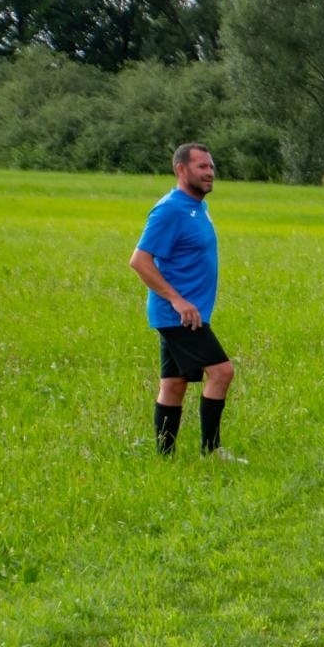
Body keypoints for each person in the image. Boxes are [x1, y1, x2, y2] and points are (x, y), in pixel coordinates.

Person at [129, 142, 240, 460]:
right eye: (202, 167)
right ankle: (212, 450)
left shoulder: (197, 206)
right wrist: (178, 300)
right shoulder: (170, 210)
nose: (210, 173)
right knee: (221, 372)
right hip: (179, 315)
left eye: (212, 167)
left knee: (174, 384)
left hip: (190, 313)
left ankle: (165, 457)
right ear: (181, 170)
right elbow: (139, 261)